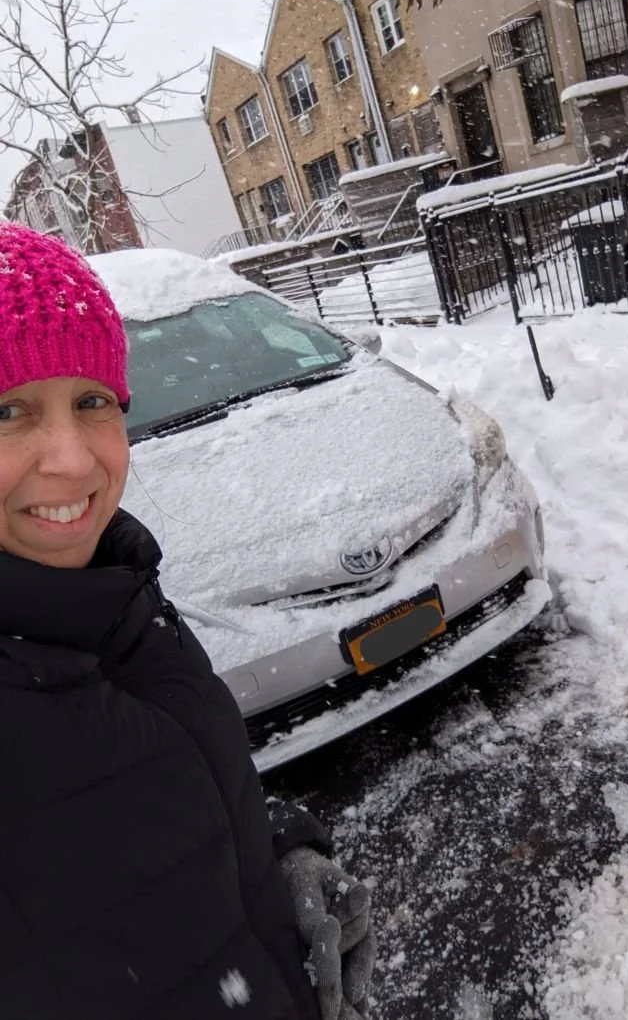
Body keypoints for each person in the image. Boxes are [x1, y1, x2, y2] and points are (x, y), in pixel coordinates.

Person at [0, 223, 376, 1019]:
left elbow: (137, 823)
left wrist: (277, 858)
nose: (73, 459)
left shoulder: (118, 596)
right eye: (9, 411)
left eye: (91, 401)